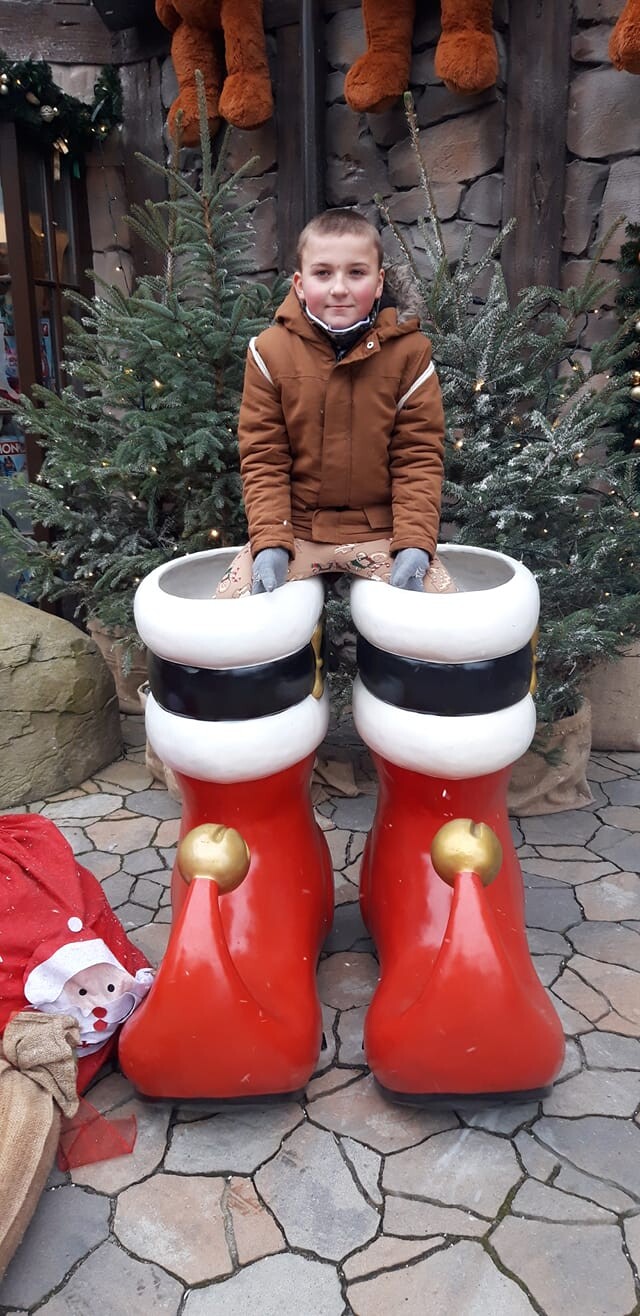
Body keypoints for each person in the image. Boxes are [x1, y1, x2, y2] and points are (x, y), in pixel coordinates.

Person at [217, 208, 453, 598]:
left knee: (436, 617)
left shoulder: (411, 354)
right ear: (299, 284)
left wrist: (414, 542)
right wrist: (271, 540)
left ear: (378, 283)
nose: (339, 288)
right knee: (239, 614)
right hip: (296, 531)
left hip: (382, 531)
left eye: (356, 273)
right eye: (323, 273)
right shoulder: (268, 353)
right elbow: (264, 456)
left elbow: (418, 456)